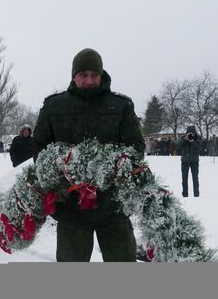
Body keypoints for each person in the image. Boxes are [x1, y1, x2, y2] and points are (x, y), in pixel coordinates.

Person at [33, 48, 145, 262]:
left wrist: (115, 168)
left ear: (101, 76)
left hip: (114, 206)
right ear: (74, 76)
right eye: (83, 75)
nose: (89, 80)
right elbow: (39, 148)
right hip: (70, 209)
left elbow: (136, 147)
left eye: (94, 75)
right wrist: (58, 174)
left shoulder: (121, 106)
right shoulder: (54, 106)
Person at [177, 125, 201, 197]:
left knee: (195, 179)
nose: (191, 134)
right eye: (189, 133)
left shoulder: (198, 138)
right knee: (184, 179)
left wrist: (192, 141)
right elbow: (178, 146)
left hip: (194, 161)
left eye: (192, 133)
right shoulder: (183, 137)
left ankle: (196, 195)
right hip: (185, 161)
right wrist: (185, 139)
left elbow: (200, 148)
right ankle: (185, 195)